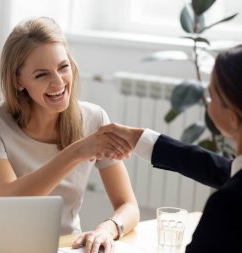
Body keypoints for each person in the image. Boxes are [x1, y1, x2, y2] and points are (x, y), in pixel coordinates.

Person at [0, 17, 139, 253]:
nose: (58, 82)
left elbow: (128, 205)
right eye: (42, 75)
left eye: (63, 67)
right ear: (18, 81)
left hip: (67, 247)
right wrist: (78, 151)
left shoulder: (94, 118)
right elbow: (10, 201)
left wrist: (108, 228)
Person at [98, 45, 242, 252]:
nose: (207, 104)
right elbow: (224, 170)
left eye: (211, 97)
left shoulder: (227, 205)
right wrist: (144, 140)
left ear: (232, 118)